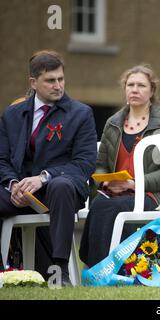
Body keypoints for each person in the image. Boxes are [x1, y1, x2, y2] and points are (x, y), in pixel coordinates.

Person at [0, 50, 97, 286]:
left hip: (60, 189)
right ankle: (4, 271)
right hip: (21, 192)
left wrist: (43, 178)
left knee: (61, 186)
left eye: (60, 79)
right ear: (33, 83)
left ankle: (59, 271)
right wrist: (14, 184)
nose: (58, 85)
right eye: (50, 80)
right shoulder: (11, 115)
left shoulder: (81, 114)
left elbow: (84, 163)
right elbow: (1, 159)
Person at [79, 64, 160, 268]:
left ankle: (112, 268)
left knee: (117, 207)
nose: (135, 89)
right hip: (115, 191)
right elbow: (101, 164)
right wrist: (106, 182)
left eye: (141, 85)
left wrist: (134, 184)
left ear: (152, 91)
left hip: (148, 194)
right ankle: (98, 267)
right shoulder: (113, 123)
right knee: (99, 204)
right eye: (130, 84)